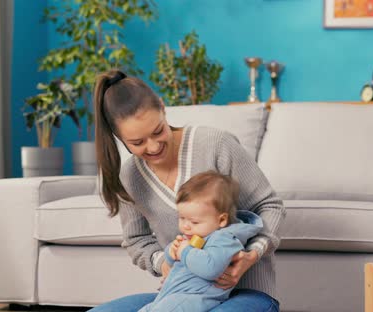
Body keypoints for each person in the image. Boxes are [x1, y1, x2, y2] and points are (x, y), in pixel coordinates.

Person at [88, 69, 285, 312]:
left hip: (248, 293)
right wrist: (165, 264)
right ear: (119, 137)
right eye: (137, 143)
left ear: (162, 107)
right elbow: (137, 240)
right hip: (182, 297)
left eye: (158, 130)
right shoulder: (130, 177)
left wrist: (251, 256)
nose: (153, 146)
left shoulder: (215, 145)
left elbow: (270, 206)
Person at [139, 171, 263, 312]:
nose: (185, 226)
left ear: (221, 220)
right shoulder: (196, 235)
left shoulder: (225, 239)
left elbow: (211, 268)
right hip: (172, 294)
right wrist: (171, 252)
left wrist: (185, 251)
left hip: (195, 298)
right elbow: (174, 262)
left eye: (194, 221)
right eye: (182, 218)